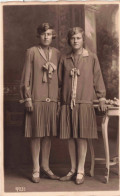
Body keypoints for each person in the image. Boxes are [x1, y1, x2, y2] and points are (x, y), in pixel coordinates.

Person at [58, 27, 107, 185]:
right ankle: (72, 169)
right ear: (69, 40)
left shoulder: (91, 57)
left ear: (82, 39)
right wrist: (59, 101)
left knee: (81, 137)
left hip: (84, 102)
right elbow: (59, 82)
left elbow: (97, 78)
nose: (75, 41)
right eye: (73, 38)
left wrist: (101, 98)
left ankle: (80, 170)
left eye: (78, 38)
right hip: (68, 104)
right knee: (71, 137)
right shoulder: (64, 59)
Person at [20, 23, 60, 183]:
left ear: (52, 36)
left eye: (49, 34)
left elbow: (61, 79)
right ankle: (36, 168)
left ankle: (46, 167)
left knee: (48, 135)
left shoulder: (57, 53)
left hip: (52, 101)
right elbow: (26, 77)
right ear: (39, 35)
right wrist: (27, 98)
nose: (46, 37)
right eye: (43, 34)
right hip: (36, 99)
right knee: (36, 135)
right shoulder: (31, 52)